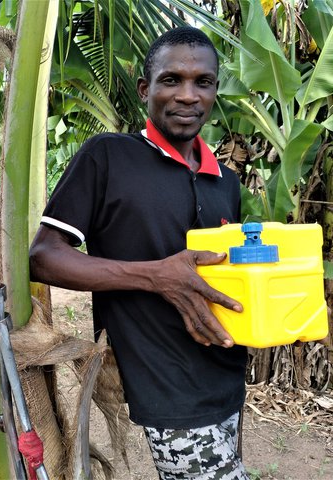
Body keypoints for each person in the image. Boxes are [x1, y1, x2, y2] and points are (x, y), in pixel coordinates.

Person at [29, 26, 249, 479]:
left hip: (226, 373)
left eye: (202, 82)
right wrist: (157, 276)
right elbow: (45, 256)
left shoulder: (225, 181)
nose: (188, 96)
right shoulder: (108, 157)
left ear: (214, 92)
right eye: (172, 80)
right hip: (164, 381)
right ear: (146, 89)